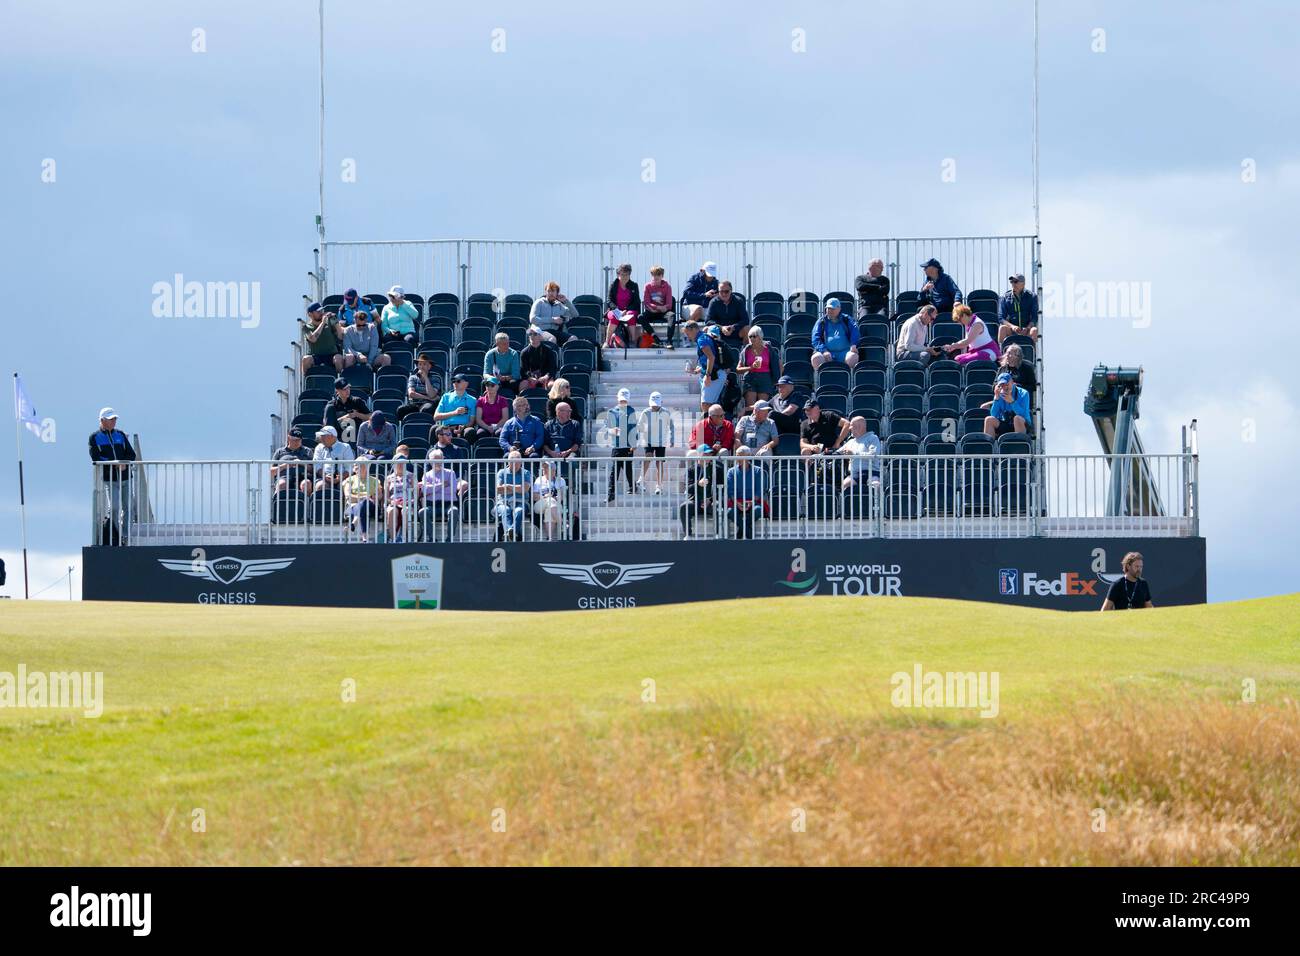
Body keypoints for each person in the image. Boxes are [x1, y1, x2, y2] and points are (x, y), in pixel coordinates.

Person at [89, 407, 136, 545]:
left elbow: (131, 454)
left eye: (114, 419)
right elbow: (95, 457)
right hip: (110, 479)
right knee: (114, 507)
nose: (114, 421)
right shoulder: (94, 437)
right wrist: (114, 463)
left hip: (126, 477)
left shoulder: (120, 435)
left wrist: (124, 463)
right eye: (111, 419)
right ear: (102, 420)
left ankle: (126, 536)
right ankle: (118, 533)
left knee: (129, 507)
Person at [419, 448, 468, 542]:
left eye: (440, 459)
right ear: (430, 461)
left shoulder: (450, 473)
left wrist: (432, 489)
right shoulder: (427, 475)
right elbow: (425, 490)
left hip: (448, 504)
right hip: (432, 505)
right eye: (436, 460)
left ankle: (450, 538)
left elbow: (452, 490)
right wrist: (442, 485)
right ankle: (432, 538)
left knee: (454, 511)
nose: (438, 462)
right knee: (422, 512)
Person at [724, 446, 768, 539]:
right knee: (730, 511)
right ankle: (749, 533)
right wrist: (737, 503)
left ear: (748, 456)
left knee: (758, 510)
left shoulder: (758, 470)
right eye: (736, 455)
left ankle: (741, 532)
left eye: (740, 456)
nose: (737, 458)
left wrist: (752, 502)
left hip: (754, 502)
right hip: (737, 502)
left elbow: (760, 489)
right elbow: (730, 490)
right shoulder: (731, 472)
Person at [637, 390, 674, 493]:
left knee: (659, 462)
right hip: (648, 439)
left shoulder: (666, 412)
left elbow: (671, 426)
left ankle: (659, 485)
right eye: (653, 405)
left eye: (656, 405)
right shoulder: (645, 412)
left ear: (661, 403)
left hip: (661, 441)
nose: (654, 407)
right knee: (648, 457)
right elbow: (639, 426)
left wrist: (672, 439)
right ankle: (641, 479)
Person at [683, 319, 724, 413]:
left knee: (705, 405)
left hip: (714, 375)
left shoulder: (701, 339)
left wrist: (708, 375)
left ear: (693, 329)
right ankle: (711, 426)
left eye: (688, 333)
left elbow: (711, 357)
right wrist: (699, 370)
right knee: (710, 406)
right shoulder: (703, 337)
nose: (688, 337)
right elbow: (710, 358)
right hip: (715, 373)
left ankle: (708, 427)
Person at [606, 387, 638, 501]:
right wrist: (612, 430)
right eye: (621, 400)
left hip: (628, 445)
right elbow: (607, 428)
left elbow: (634, 428)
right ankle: (611, 493)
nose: (623, 402)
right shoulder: (611, 411)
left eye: (625, 400)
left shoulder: (631, 411)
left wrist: (634, 442)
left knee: (628, 468)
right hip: (617, 445)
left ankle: (632, 487)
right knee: (615, 470)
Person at [679, 448, 720, 539]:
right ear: (699, 455)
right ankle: (688, 534)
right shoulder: (691, 470)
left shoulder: (716, 468)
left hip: (710, 502)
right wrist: (698, 484)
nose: (709, 457)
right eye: (705, 454)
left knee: (717, 506)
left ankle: (717, 534)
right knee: (684, 507)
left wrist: (710, 499)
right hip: (695, 501)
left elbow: (721, 488)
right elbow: (688, 488)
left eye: (710, 454)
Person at [810, 298, 860, 370]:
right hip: (827, 352)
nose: (830, 311)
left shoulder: (847, 319)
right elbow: (815, 338)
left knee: (853, 357)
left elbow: (855, 332)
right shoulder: (821, 322)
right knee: (816, 358)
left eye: (832, 309)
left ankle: (847, 378)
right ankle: (822, 379)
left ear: (839, 309)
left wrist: (853, 345)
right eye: (828, 308)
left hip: (844, 352)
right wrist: (824, 351)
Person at [494, 451, 533, 542]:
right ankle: (511, 532)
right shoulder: (502, 472)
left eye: (517, 462)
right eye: (513, 462)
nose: (515, 464)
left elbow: (525, 489)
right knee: (505, 510)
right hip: (503, 502)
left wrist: (508, 486)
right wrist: (518, 487)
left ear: (521, 462)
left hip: (521, 502)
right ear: (508, 462)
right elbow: (498, 489)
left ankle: (510, 533)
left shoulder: (526, 473)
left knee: (518, 511)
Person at [839, 416, 882, 492]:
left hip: (871, 473)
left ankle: (876, 504)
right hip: (855, 474)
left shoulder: (873, 438)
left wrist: (853, 454)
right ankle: (848, 504)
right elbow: (837, 452)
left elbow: (873, 455)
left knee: (876, 485)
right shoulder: (851, 442)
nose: (850, 429)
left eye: (852, 426)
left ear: (859, 427)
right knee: (845, 484)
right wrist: (821, 454)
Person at [343, 461, 383, 542]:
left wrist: (368, 498)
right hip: (352, 507)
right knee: (363, 505)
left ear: (367, 468)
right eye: (357, 466)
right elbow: (347, 496)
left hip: (372, 507)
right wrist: (364, 497)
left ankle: (354, 523)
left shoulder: (375, 480)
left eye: (362, 466)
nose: (360, 468)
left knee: (364, 503)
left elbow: (379, 496)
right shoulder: (349, 480)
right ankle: (364, 536)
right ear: (354, 469)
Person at [738, 326, 778, 407]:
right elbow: (738, 369)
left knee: (762, 406)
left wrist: (776, 379)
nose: (752, 338)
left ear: (760, 337)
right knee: (750, 406)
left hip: (765, 378)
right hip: (750, 378)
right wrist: (751, 367)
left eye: (754, 336)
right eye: (750, 336)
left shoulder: (768, 349)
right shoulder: (746, 350)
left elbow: (778, 365)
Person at [983, 372, 1033, 438]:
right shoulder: (1000, 393)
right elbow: (994, 415)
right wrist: (996, 399)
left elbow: (1023, 414)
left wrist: (1012, 402)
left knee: (1017, 418)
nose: (1004, 387)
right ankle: (988, 446)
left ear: (1012, 383)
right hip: (1006, 423)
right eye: (1002, 385)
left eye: (1006, 384)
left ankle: (1020, 444)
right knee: (988, 419)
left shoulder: (1024, 393)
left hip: (1022, 423)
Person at [300, 302, 344, 376]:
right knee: (306, 359)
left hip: (331, 355)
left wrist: (335, 321)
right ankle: (307, 381)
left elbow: (341, 336)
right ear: (310, 314)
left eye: (321, 311)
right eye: (318, 311)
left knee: (338, 358)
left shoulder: (329, 322)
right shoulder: (306, 327)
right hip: (316, 356)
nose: (321, 313)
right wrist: (323, 323)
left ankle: (341, 381)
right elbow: (313, 339)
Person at [465, 376, 511, 445]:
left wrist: (496, 427)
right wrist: (488, 427)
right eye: (487, 385)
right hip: (484, 427)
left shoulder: (503, 400)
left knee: (500, 433)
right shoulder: (480, 400)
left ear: (497, 387)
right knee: (481, 433)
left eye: (492, 385)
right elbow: (478, 419)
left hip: (499, 426)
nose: (489, 387)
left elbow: (505, 418)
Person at [323, 378, 371, 444]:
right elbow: (328, 428)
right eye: (344, 389)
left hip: (356, 440)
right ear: (337, 391)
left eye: (348, 388)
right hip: (338, 441)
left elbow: (370, 417)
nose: (347, 391)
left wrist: (357, 414)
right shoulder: (331, 406)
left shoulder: (357, 401)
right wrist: (345, 418)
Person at [604, 263, 641, 348]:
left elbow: (636, 302)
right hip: (615, 310)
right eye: (622, 274)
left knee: (631, 316)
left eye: (627, 275)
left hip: (629, 310)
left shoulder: (634, 285)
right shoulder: (613, 285)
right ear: (618, 275)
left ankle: (633, 341)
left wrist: (626, 310)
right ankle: (607, 342)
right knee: (614, 317)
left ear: (629, 275)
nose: (624, 277)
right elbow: (609, 300)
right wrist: (616, 309)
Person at [704, 280, 749, 350]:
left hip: (735, 331)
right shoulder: (713, 302)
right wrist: (721, 328)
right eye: (721, 291)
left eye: (726, 291)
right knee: (706, 329)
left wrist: (733, 327)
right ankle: (711, 356)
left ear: (731, 291)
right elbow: (708, 321)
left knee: (747, 329)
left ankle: (745, 354)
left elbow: (745, 320)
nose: (724, 294)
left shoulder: (738, 301)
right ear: (718, 291)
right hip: (719, 332)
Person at [311, 425, 356, 495]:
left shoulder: (345, 447)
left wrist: (341, 477)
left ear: (331, 436)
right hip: (323, 478)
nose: (321, 438)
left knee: (346, 486)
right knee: (320, 486)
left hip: (343, 478)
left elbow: (350, 467)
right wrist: (325, 476)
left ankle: (345, 506)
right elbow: (317, 465)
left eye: (323, 436)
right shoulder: (319, 447)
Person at [997, 273, 1039, 346]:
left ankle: (1031, 353)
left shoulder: (1032, 296)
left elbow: (1034, 317)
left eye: (1015, 281)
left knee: (1034, 330)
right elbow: (1001, 318)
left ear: (1023, 284)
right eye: (1011, 282)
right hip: (1011, 330)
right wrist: (1013, 327)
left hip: (1026, 330)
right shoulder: (1005, 297)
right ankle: (1001, 355)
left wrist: (1027, 328)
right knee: (1002, 328)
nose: (1013, 284)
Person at [499, 394, 546, 459]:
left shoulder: (536, 421)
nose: (526, 407)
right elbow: (502, 439)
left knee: (534, 456)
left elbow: (540, 437)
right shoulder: (509, 423)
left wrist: (533, 447)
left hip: (531, 451)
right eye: (522, 405)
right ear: (515, 409)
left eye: (527, 405)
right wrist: (509, 448)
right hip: (514, 452)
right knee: (508, 456)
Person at [531, 459, 569, 540]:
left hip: (556, 505)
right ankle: (562, 523)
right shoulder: (538, 479)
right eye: (543, 468)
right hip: (539, 505)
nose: (544, 470)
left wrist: (552, 498)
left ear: (553, 470)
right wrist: (545, 497)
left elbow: (562, 497)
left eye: (546, 468)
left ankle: (549, 538)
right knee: (550, 501)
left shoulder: (561, 480)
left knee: (549, 510)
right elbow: (534, 496)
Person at [396, 353, 440, 421]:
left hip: (429, 404)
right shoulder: (413, 378)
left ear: (429, 366)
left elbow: (432, 394)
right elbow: (411, 394)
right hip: (415, 404)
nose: (422, 367)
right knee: (401, 410)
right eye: (420, 364)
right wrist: (427, 397)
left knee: (426, 410)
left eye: (424, 364)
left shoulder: (435, 378)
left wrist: (426, 378)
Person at [384, 450, 416, 542]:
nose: (401, 465)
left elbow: (415, 494)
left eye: (403, 463)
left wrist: (408, 501)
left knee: (405, 511)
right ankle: (393, 539)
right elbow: (386, 498)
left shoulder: (411, 476)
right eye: (398, 463)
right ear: (394, 464)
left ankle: (403, 537)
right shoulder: (389, 478)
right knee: (391, 511)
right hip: (393, 503)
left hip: (408, 503)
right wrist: (393, 502)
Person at [272, 427, 313, 495]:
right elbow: (271, 472)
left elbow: (313, 470)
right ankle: (280, 505)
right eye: (294, 439)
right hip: (284, 477)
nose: (296, 442)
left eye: (298, 440)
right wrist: (284, 466)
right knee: (281, 484)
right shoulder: (279, 452)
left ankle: (306, 505)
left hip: (303, 477)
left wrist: (302, 463)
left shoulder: (308, 451)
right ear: (288, 438)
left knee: (306, 484)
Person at [640, 265, 673, 347]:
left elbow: (669, 304)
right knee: (640, 317)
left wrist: (663, 308)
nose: (656, 277)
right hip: (652, 311)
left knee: (672, 315)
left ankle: (669, 340)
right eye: (654, 275)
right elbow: (646, 302)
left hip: (663, 312)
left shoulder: (667, 287)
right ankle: (654, 337)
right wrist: (657, 307)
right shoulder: (647, 286)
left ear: (662, 276)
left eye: (658, 275)